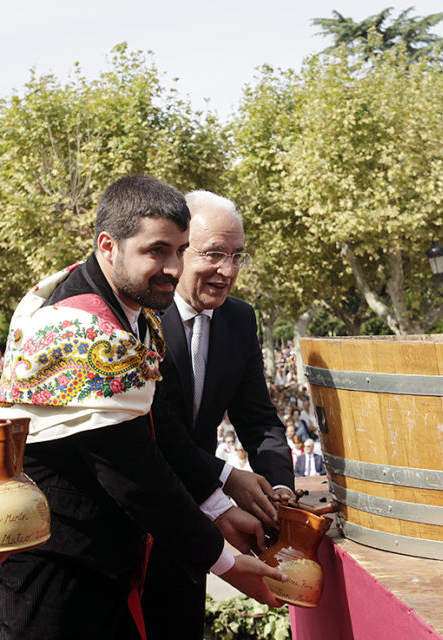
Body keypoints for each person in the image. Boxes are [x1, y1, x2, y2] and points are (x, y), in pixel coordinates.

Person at [0, 175, 285, 639]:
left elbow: (159, 426)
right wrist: (224, 561)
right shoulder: (82, 328)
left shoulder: (132, 313)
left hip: (104, 566)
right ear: (108, 245)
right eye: (156, 251)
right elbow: (135, 470)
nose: (173, 267)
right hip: (51, 573)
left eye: (181, 251)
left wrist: (221, 506)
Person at [144, 190, 296, 639]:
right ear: (178, 250)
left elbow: (259, 419)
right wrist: (226, 479)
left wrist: (279, 491)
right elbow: (155, 426)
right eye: (213, 254)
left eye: (237, 256)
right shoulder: (142, 313)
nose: (226, 271)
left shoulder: (239, 319)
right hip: (136, 515)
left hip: (191, 535)